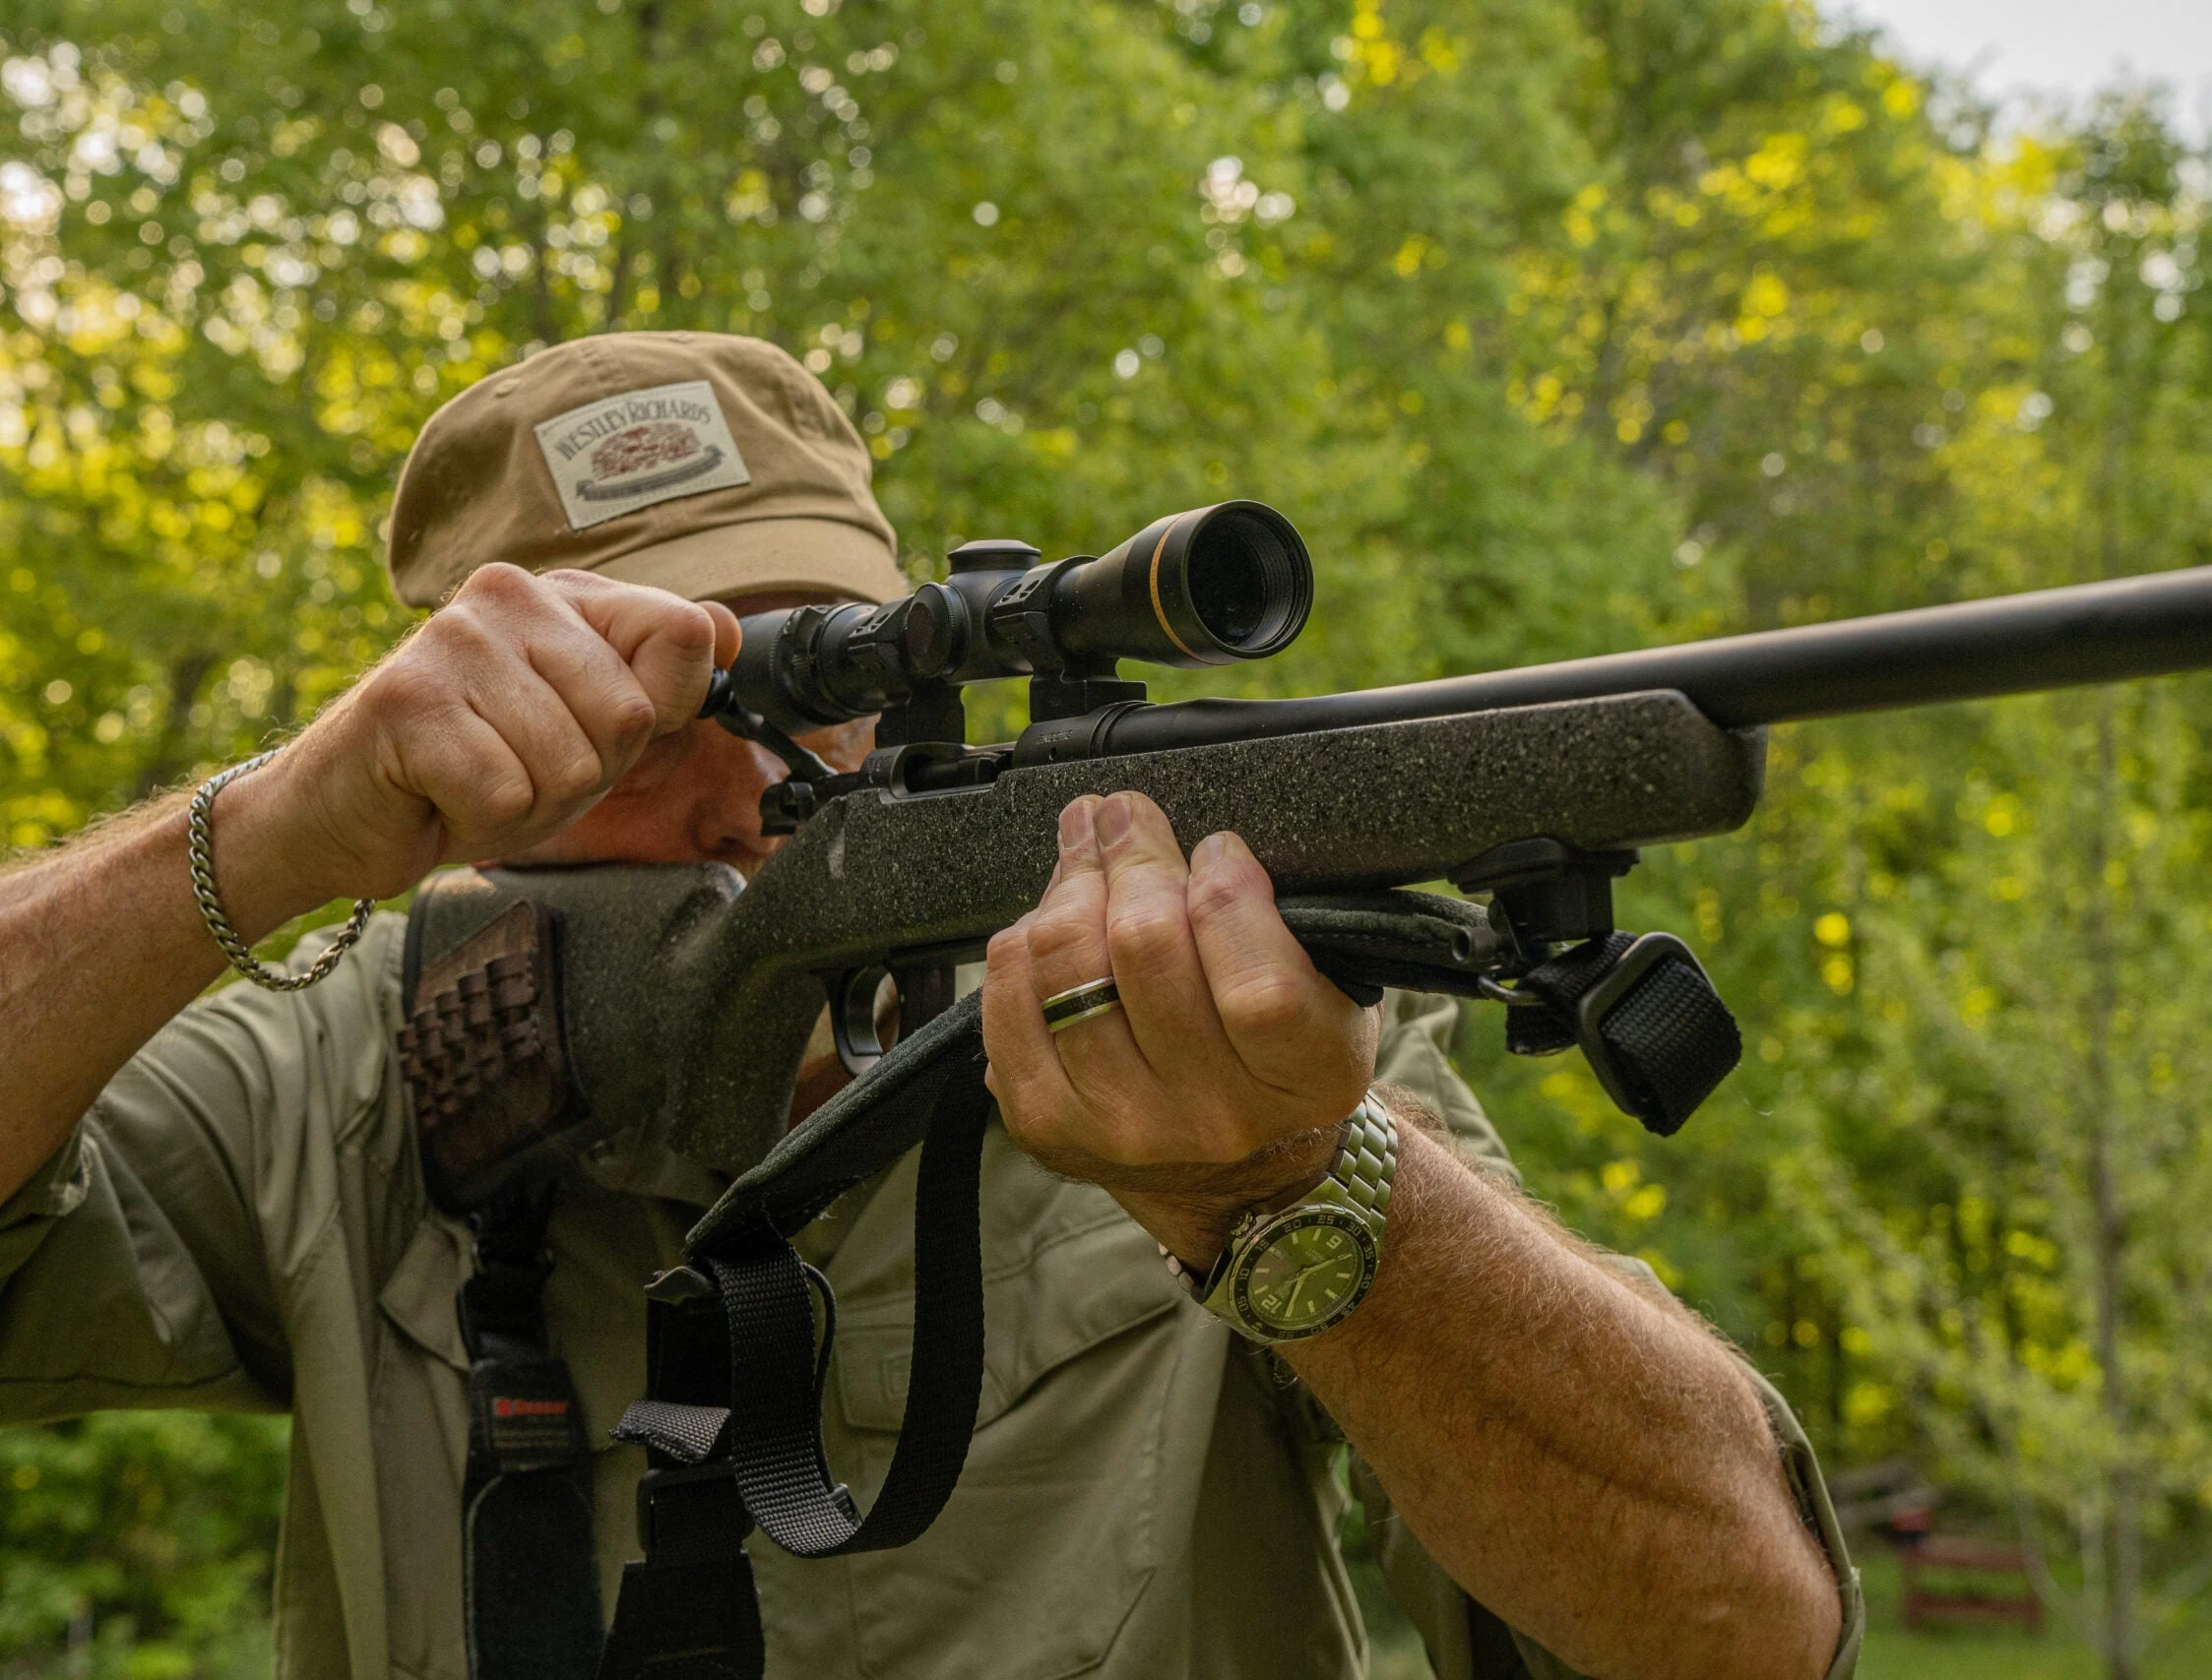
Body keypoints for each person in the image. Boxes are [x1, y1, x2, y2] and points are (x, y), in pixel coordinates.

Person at [0, 332, 1861, 1680]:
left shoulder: (1205, 1026)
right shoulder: (347, 1058)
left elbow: (1740, 1628)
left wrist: (1300, 1195)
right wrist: (254, 838)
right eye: (614, 713)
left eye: (800, 673)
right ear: (445, 749)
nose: (737, 786)